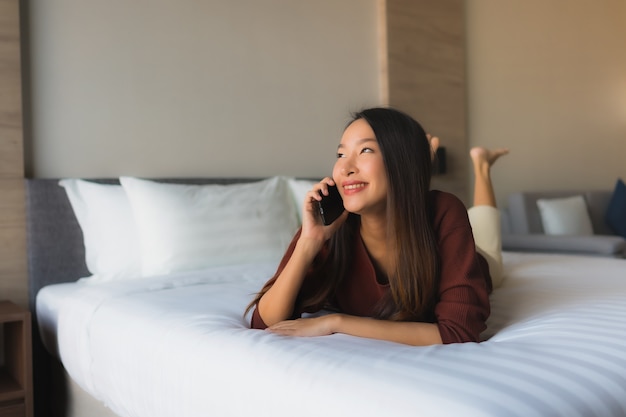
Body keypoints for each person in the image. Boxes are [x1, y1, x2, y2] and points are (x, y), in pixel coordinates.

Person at [246, 107, 508, 346]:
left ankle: (482, 167)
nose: (345, 168)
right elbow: (264, 323)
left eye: (365, 150)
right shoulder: (331, 229)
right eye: (340, 154)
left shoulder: (443, 210)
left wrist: (335, 323)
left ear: (399, 161)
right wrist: (308, 243)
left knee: (490, 250)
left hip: (475, 265)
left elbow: (458, 332)